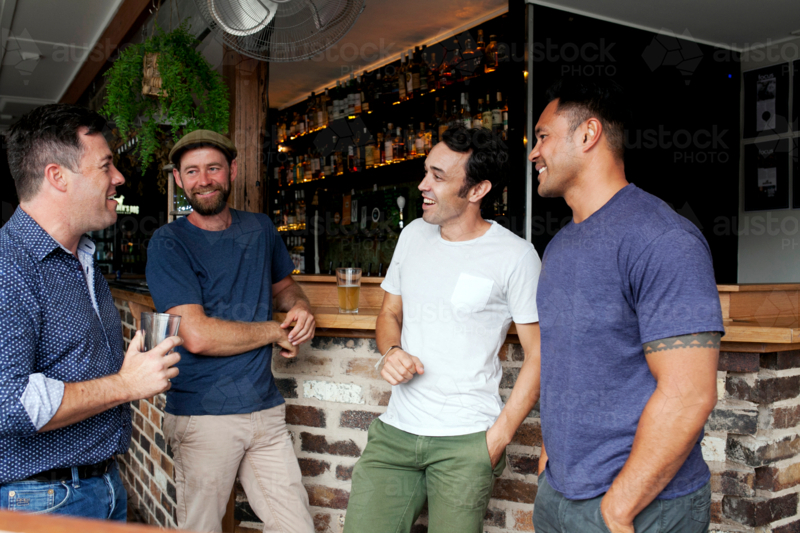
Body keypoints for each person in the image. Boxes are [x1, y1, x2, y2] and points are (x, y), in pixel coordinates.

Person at [530, 79, 724, 533]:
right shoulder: (559, 247)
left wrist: (618, 508)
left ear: (587, 134)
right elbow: (568, 361)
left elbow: (689, 394)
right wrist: (549, 459)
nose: (534, 153)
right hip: (559, 495)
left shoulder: (663, 239)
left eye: (542, 136)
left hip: (640, 507)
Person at [343, 126, 542, 533]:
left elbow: (539, 355)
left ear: (477, 190)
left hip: (465, 442)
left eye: (438, 176)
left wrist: (497, 439)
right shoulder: (413, 235)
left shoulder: (516, 256)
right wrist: (391, 351)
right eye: (425, 172)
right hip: (395, 434)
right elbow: (389, 314)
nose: (422, 185)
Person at [0, 104, 181, 520]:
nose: (119, 178)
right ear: (58, 177)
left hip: (102, 485)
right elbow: (9, 403)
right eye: (105, 165)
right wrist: (126, 383)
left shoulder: (81, 257)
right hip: (43, 500)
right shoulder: (10, 264)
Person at [146, 130, 316, 533]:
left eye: (213, 168)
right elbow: (197, 335)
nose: (203, 180)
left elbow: (285, 287)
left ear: (232, 171)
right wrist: (274, 331)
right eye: (192, 171)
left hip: (264, 410)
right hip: (203, 416)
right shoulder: (169, 242)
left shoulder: (259, 228)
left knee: (296, 528)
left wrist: (300, 306)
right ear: (178, 179)